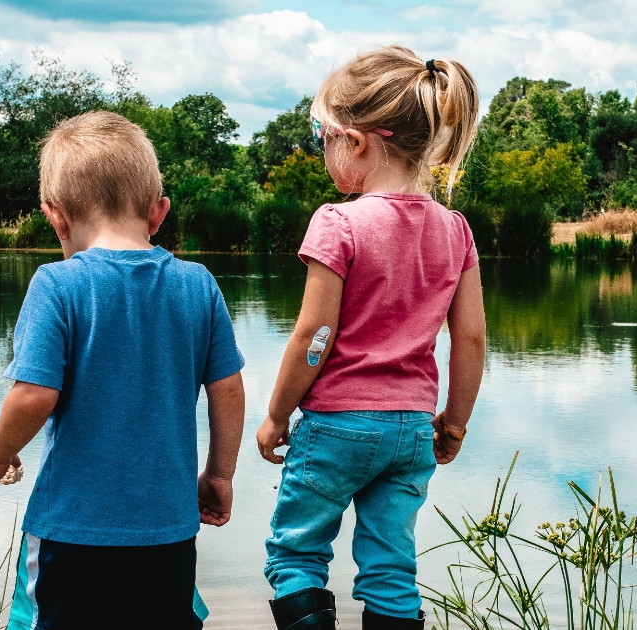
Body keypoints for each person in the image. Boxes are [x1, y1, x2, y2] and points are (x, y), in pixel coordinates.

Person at [0, 111, 247, 630]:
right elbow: (227, 387)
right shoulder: (198, 284)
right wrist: (220, 473)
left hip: (73, 529)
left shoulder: (58, 285)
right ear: (158, 213)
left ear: (57, 218)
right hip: (169, 529)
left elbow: (34, 395)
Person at [256, 46, 487, 630]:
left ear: (355, 142)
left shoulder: (338, 222)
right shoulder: (455, 229)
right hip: (412, 429)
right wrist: (454, 422)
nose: (321, 152)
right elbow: (472, 340)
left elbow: (316, 333)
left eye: (321, 137)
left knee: (297, 555)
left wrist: (278, 413)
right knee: (390, 568)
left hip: (338, 423)